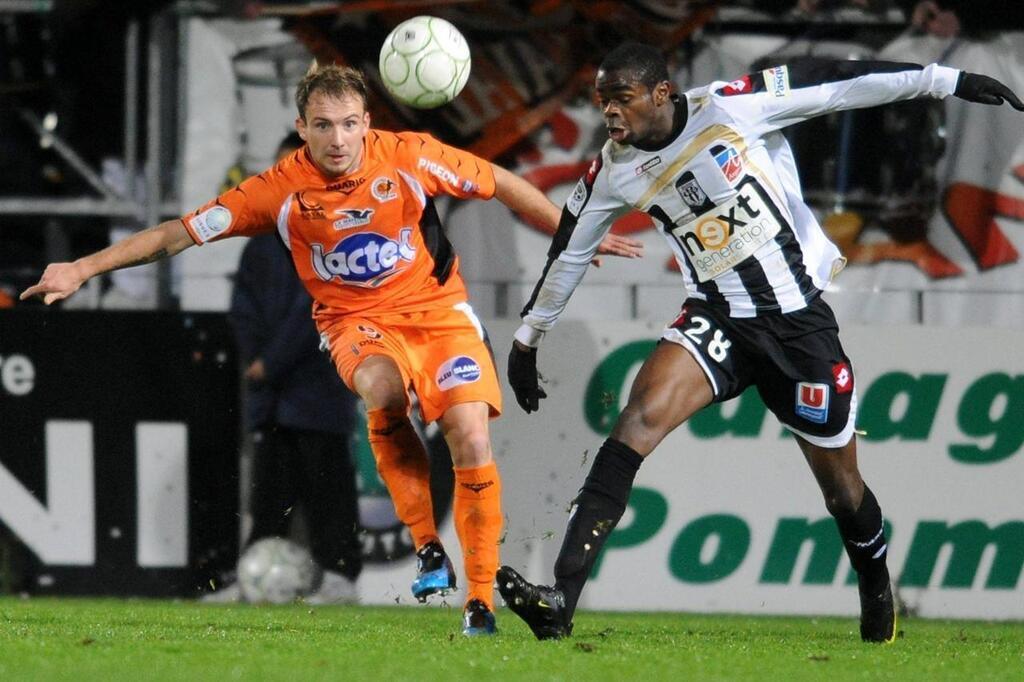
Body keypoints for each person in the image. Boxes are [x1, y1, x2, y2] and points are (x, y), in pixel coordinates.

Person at [20, 62, 640, 636]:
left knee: (470, 435)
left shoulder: (408, 156)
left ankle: (478, 598)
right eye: (323, 126)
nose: (338, 140)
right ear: (301, 129)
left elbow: (501, 180)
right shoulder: (278, 190)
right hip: (354, 323)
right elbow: (176, 235)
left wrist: (573, 231)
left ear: (367, 124)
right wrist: (82, 267)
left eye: (349, 124)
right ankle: (427, 544)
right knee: (383, 390)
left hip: (438, 314)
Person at [497, 42, 1023, 643]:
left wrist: (945, 80)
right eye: (603, 101)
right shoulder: (612, 169)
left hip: (798, 326)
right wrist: (527, 339)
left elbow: (835, 82)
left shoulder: (731, 108)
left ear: (661, 93)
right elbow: (569, 251)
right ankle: (559, 601)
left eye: (622, 99)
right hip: (717, 318)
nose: (610, 114)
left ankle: (876, 585)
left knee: (842, 492)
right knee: (635, 425)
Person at [205, 131, 363, 605]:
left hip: (317, 391)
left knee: (326, 489)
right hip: (272, 399)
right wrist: (255, 358)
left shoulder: (335, 236)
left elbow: (319, 308)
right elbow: (243, 308)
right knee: (268, 495)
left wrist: (268, 363)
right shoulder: (261, 245)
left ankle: (340, 578)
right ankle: (253, 577)